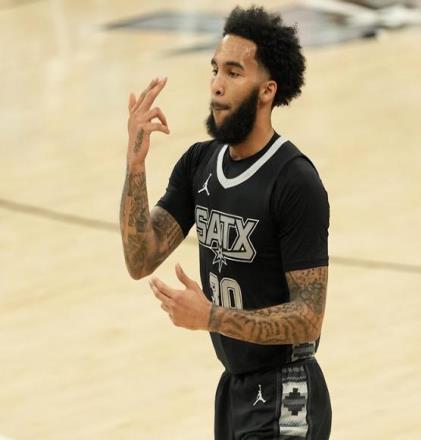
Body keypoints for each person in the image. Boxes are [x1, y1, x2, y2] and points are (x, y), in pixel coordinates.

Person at [119, 6, 331, 439]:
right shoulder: (199, 163)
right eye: (215, 69)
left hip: (287, 387)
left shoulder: (294, 180)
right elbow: (140, 258)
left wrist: (212, 316)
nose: (217, 84)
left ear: (267, 91)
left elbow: (309, 318)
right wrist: (135, 165)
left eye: (234, 73)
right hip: (235, 389)